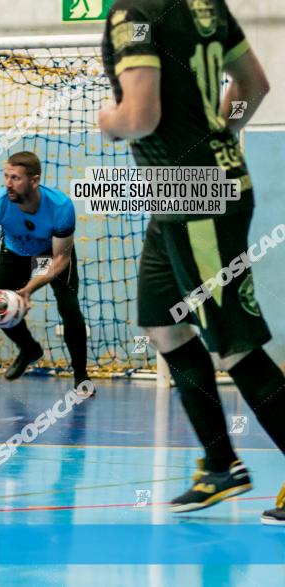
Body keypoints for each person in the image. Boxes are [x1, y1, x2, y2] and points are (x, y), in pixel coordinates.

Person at [99, 0, 284, 523]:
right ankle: (221, 465)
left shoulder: (132, 12)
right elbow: (254, 85)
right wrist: (221, 133)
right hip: (178, 197)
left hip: (195, 199)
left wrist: (109, 123)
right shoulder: (205, 5)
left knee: (233, 344)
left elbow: (140, 116)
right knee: (165, 326)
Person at [0, 151, 93, 395]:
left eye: (15, 178)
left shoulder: (60, 206)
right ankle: (28, 349)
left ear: (34, 181)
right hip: (16, 254)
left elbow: (61, 258)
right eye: (6, 176)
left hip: (49, 255)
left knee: (69, 308)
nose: (8, 183)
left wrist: (29, 289)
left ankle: (81, 376)